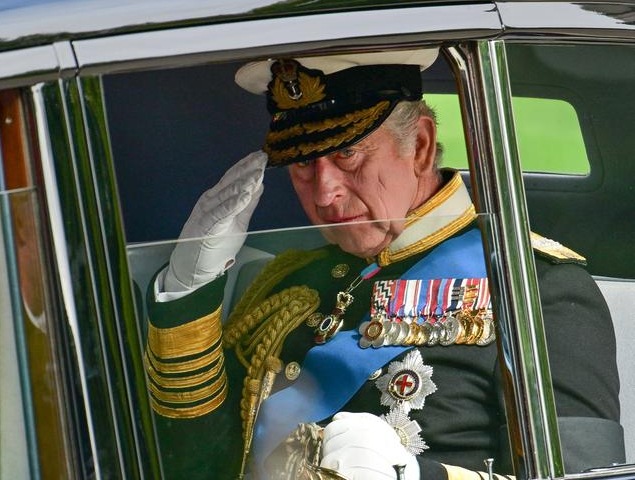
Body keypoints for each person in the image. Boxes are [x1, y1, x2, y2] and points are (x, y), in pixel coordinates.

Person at [143, 49, 624, 479]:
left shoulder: (533, 286)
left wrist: (418, 477)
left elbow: (584, 478)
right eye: (304, 165)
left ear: (418, 146)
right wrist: (190, 289)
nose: (325, 193)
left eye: (348, 153)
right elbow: (193, 462)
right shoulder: (288, 283)